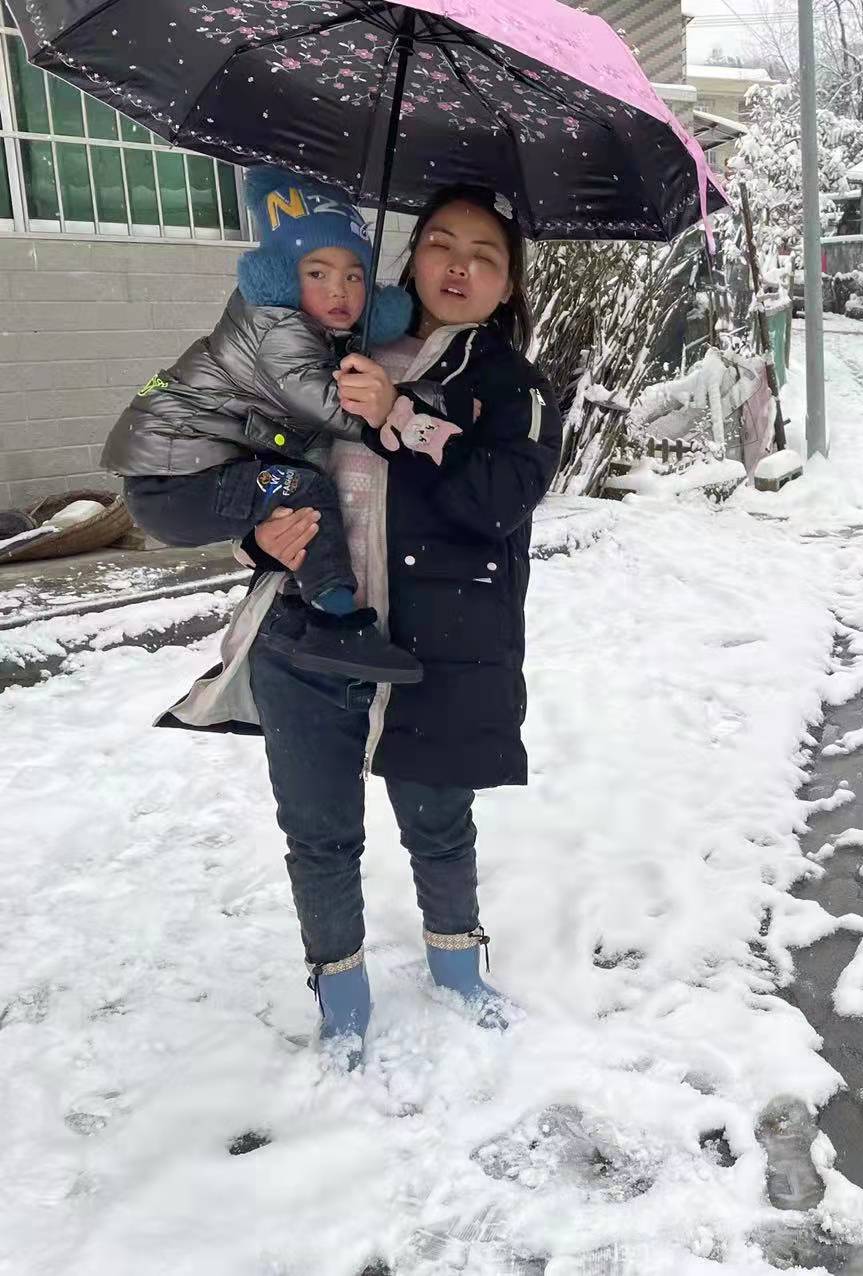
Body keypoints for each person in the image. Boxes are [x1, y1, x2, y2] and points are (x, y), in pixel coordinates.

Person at [159, 185, 565, 1067]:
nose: (459, 266)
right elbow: (246, 461)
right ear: (413, 257)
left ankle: (458, 968)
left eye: (485, 255)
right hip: (302, 639)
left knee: (438, 820)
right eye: (442, 244)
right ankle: (340, 994)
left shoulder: (509, 387)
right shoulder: (325, 349)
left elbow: (498, 500)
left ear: (507, 285)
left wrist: (396, 413)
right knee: (318, 832)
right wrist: (259, 535)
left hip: (434, 653)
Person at [102, 167, 421, 684]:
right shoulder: (275, 323)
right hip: (174, 483)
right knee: (308, 489)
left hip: (184, 476)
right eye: (316, 273)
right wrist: (393, 413)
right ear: (282, 276)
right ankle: (337, 624)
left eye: (354, 275)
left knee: (300, 495)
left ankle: (336, 615)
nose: (339, 290)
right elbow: (318, 401)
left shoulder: (305, 328)